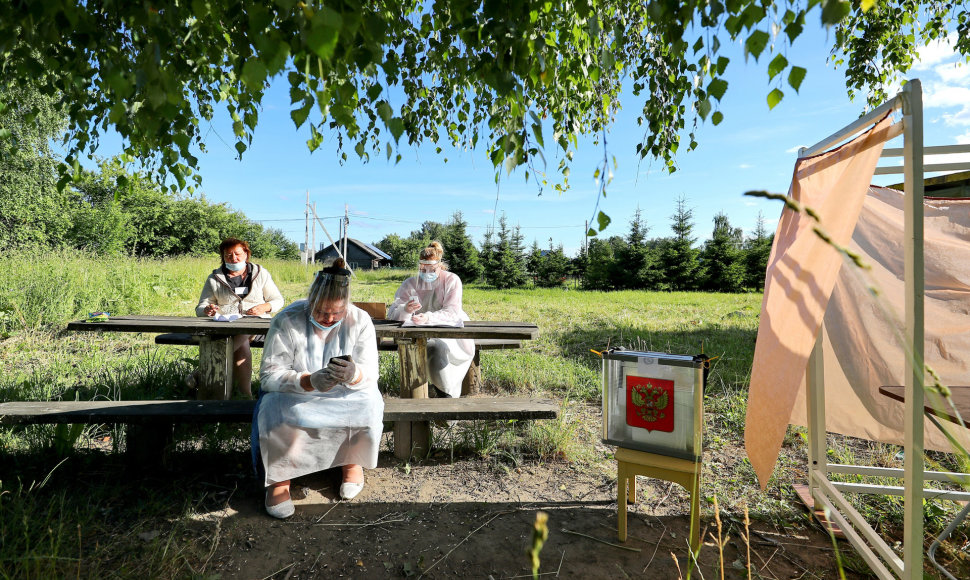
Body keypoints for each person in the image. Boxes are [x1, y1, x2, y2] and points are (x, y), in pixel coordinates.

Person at [256, 259, 383, 518]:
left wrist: (353, 374)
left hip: (344, 391)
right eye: (322, 312)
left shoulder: (359, 320)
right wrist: (308, 381)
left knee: (370, 402)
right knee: (274, 407)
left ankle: (351, 462)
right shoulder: (287, 319)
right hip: (297, 389)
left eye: (337, 313)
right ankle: (279, 480)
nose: (329, 318)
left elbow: (371, 373)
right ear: (310, 302)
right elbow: (269, 376)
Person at [195, 237, 285, 398]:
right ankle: (245, 396)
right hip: (227, 327)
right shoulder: (214, 278)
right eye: (228, 255)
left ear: (246, 254)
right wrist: (207, 310)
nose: (233, 259)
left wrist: (264, 307)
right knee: (242, 342)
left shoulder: (261, 273)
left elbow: (277, 300)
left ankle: (201, 372)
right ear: (222, 257)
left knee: (243, 332)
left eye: (237, 254)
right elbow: (201, 307)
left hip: (259, 325)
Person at [387, 241, 474, 398]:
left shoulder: (451, 280)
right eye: (422, 269)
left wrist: (428, 317)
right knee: (421, 348)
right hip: (417, 334)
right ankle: (421, 394)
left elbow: (452, 312)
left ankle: (446, 395)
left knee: (437, 349)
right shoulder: (410, 284)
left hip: (450, 333)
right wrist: (405, 309)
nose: (427, 272)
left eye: (432, 269)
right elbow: (392, 312)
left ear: (440, 266)